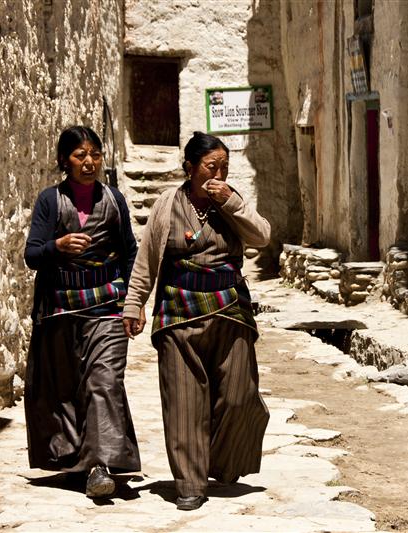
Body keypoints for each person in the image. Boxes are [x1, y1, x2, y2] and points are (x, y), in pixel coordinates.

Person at [122, 132, 270, 511]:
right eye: (210, 167)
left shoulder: (231, 202)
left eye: (224, 168)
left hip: (229, 309)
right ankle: (190, 483)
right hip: (178, 312)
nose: (218, 175)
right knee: (184, 402)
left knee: (239, 397)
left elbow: (262, 237)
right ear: (190, 168)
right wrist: (135, 303)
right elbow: (147, 258)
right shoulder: (167, 204)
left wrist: (232, 203)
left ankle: (221, 461)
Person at [24, 126, 142, 499]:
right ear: (65, 160)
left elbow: (130, 252)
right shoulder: (50, 201)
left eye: (95, 154)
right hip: (60, 309)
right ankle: (76, 461)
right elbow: (32, 254)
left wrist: (134, 302)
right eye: (80, 155)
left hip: (107, 307)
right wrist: (56, 246)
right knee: (65, 389)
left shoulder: (114, 200)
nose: (89, 162)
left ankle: (100, 467)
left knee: (103, 382)